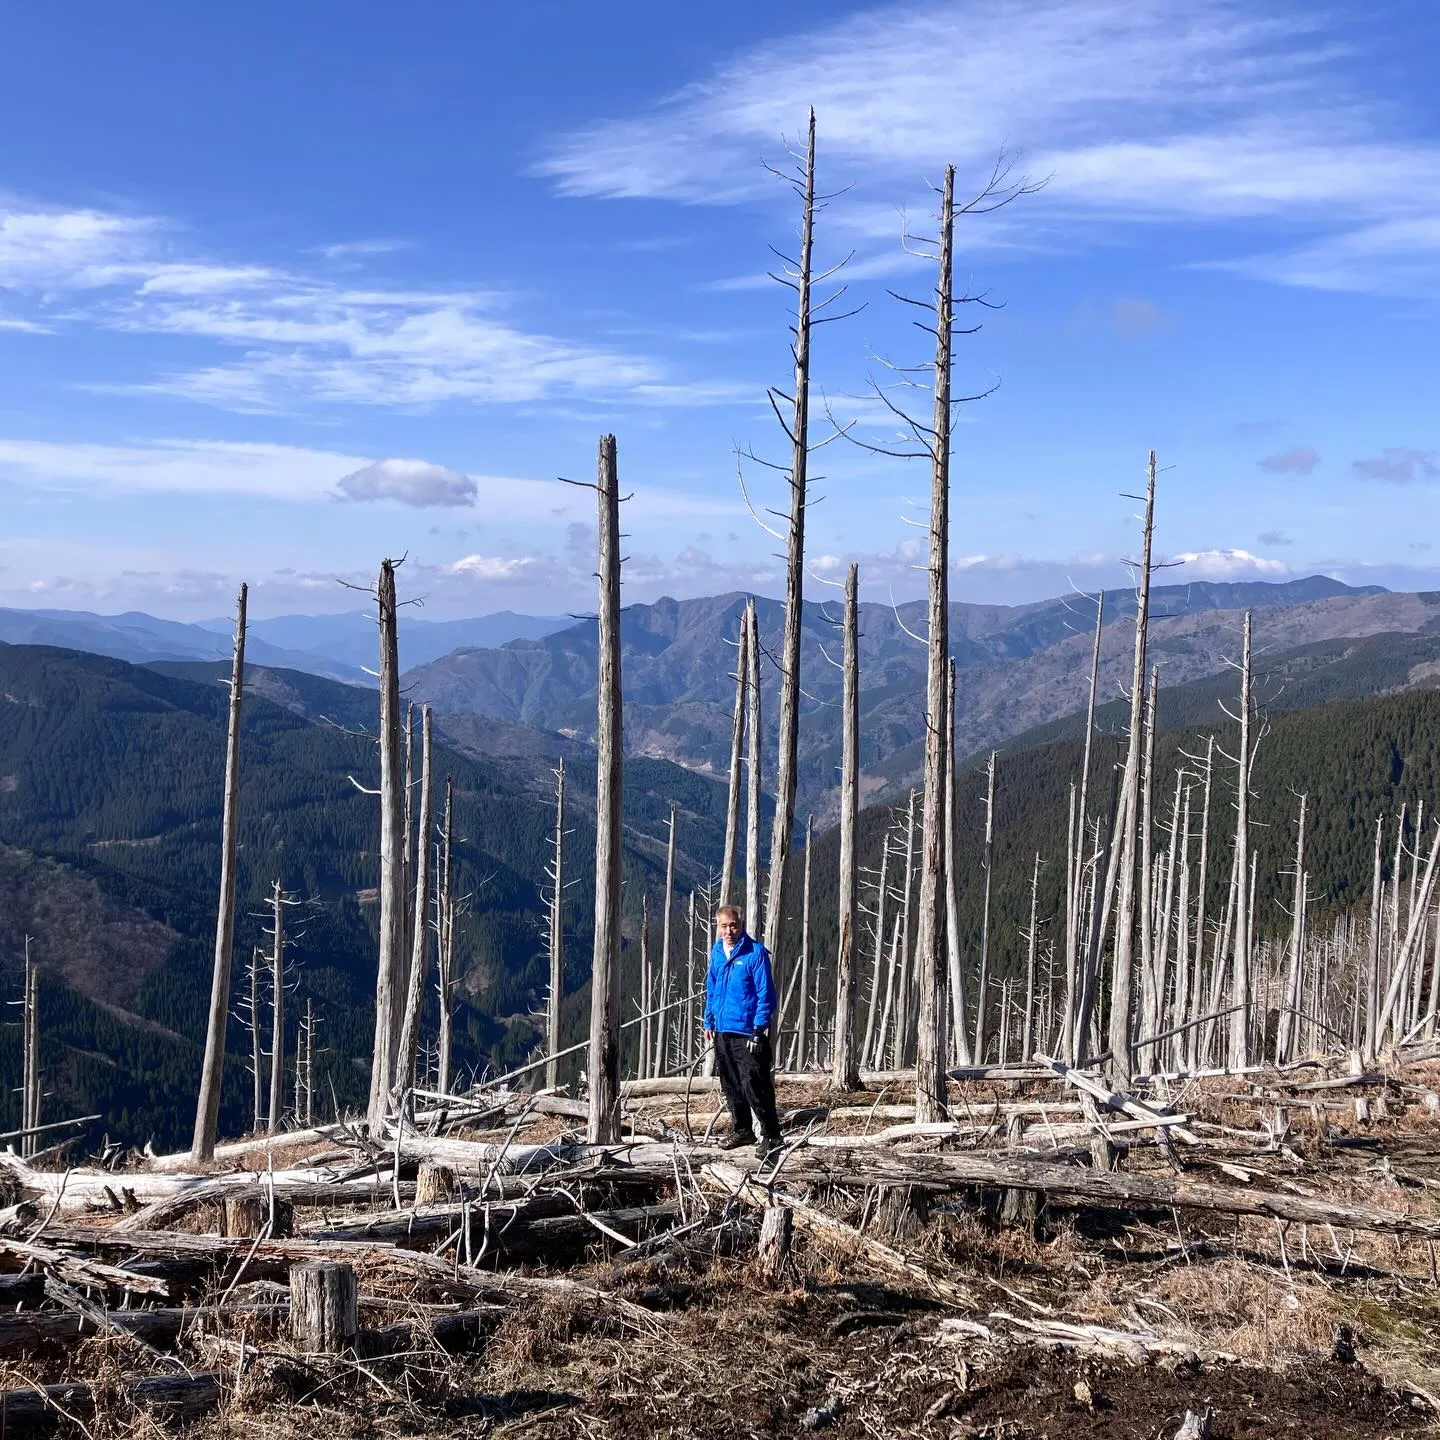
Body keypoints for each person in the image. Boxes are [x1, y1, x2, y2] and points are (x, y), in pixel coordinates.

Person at [703, 903, 784, 1159]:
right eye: (724, 926)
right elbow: (712, 988)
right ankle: (742, 1130)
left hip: (747, 1032)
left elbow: (766, 995)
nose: (729, 931)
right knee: (731, 1084)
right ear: (718, 927)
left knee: (755, 1084)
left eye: (733, 926)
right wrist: (708, 1020)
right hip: (722, 1030)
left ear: (742, 926)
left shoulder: (755, 953)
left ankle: (772, 1135)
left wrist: (759, 1029)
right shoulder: (718, 952)